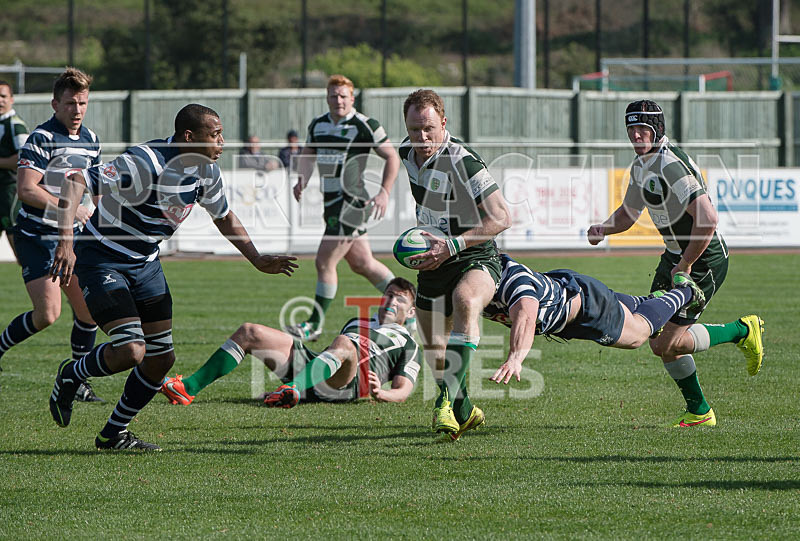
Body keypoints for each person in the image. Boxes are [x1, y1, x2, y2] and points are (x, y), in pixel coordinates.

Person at [47, 103, 299, 451]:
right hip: (101, 258)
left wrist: (256, 259)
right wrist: (65, 242)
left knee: (161, 358)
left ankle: (113, 434)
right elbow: (76, 181)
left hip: (146, 263)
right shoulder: (145, 160)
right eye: (215, 135)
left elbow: (223, 216)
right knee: (132, 350)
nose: (222, 143)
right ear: (188, 137)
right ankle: (71, 373)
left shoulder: (206, 171)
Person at [586, 99, 764, 427]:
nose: (637, 136)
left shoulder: (669, 164)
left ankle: (741, 331)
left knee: (668, 340)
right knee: (657, 338)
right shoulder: (642, 165)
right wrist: (604, 228)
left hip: (702, 259)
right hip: (676, 256)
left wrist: (685, 265)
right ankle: (699, 411)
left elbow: (708, 219)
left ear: (658, 130)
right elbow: (628, 213)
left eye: (644, 129)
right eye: (632, 130)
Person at [399, 89, 511, 439]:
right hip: (434, 258)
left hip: (473, 253)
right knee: (436, 353)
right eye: (415, 129)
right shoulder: (407, 152)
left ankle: (443, 403)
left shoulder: (464, 160)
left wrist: (453, 243)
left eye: (429, 128)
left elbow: (502, 217)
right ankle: (464, 410)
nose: (422, 137)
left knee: (466, 300)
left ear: (443, 123)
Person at [161, 277, 421, 408]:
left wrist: (382, 394)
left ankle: (295, 388)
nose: (392, 301)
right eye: (389, 295)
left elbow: (404, 389)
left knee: (344, 343)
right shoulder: (355, 321)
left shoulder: (410, 344)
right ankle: (189, 388)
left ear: (410, 312)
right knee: (249, 331)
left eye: (400, 300)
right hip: (324, 366)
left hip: (352, 382)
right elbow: (330, 356)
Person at [0, 69, 102, 402]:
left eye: (83, 103)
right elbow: (28, 190)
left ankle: (76, 382)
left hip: (71, 236)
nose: (77, 110)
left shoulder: (91, 140)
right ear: (55, 103)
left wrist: (105, 219)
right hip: (37, 235)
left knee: (88, 311)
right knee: (48, 315)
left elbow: (96, 189)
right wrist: (67, 207)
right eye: (71, 103)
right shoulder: (42, 138)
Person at [289, 74, 401, 342]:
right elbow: (308, 153)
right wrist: (302, 178)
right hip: (332, 205)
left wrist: (384, 192)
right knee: (363, 264)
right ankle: (409, 302)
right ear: (327, 98)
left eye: (343, 96)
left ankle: (314, 324)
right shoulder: (318, 125)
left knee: (324, 261)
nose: (338, 100)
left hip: (352, 204)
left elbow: (392, 157)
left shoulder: (365, 125)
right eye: (333, 95)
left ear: (352, 98)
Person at [0, 80, 28, 263]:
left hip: (10, 191)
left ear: (12, 99)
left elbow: (23, 159)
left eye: (3, 96)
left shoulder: (16, 125)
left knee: (23, 256)